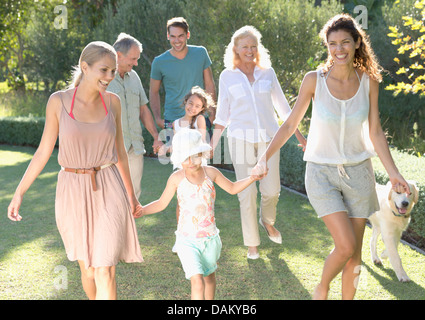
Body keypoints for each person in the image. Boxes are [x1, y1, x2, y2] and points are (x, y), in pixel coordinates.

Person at [252, 14, 410, 300]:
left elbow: (375, 131)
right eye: (332, 44)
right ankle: (322, 288)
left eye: (345, 42)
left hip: (360, 173)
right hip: (321, 173)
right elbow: (289, 124)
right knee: (346, 245)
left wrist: (394, 173)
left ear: (357, 42)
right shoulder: (314, 81)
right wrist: (264, 156)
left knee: (355, 257)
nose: (339, 49)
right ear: (327, 46)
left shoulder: (369, 81)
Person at [7, 41, 144, 300]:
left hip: (108, 186)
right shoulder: (58, 102)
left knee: (105, 270)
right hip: (72, 190)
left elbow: (120, 154)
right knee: (89, 271)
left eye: (113, 71)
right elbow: (43, 152)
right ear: (85, 67)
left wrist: (132, 196)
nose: (109, 77)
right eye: (104, 70)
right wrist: (19, 192)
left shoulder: (113, 103)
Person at [210, 25, 306, 260]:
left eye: (254, 46)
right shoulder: (227, 76)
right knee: (247, 193)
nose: (250, 50)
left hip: (270, 139)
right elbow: (222, 115)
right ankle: (252, 244)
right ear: (236, 49)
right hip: (239, 139)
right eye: (245, 46)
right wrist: (211, 146)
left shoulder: (268, 73)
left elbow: (284, 109)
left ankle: (267, 221)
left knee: (272, 191)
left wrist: (300, 136)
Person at [135, 128, 264, 300]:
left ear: (202, 153)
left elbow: (232, 188)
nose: (191, 161)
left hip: (210, 240)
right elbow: (161, 203)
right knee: (197, 281)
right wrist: (142, 210)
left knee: (209, 278)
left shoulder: (211, 173)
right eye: (186, 157)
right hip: (187, 241)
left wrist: (252, 178)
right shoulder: (176, 178)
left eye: (195, 155)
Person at [108, 33, 163, 200]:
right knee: (113, 195)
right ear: (118, 55)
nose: (136, 63)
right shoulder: (103, 78)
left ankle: (130, 227)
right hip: (112, 150)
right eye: (133, 59)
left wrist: (155, 137)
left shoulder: (135, 78)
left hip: (135, 148)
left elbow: (143, 110)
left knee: (134, 195)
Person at [149, 17, 216, 136]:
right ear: (168, 36)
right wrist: (158, 119)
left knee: (202, 154)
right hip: (172, 121)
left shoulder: (201, 53)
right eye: (173, 36)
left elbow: (209, 84)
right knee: (176, 154)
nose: (177, 40)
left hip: (200, 118)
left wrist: (212, 115)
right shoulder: (159, 62)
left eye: (180, 36)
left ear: (187, 35)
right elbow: (153, 92)